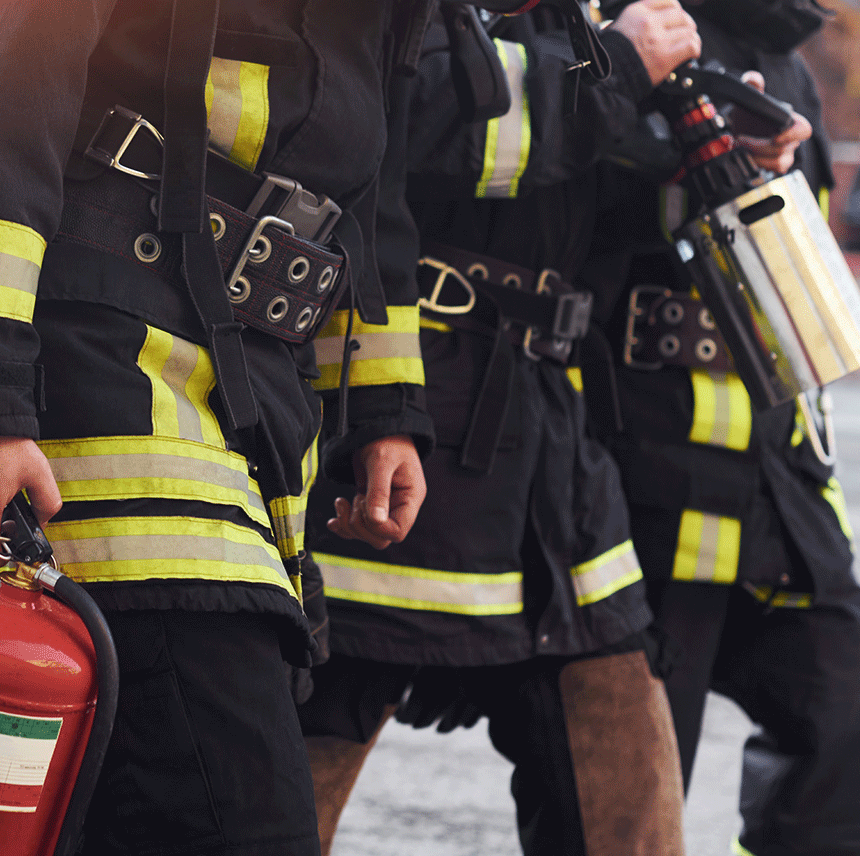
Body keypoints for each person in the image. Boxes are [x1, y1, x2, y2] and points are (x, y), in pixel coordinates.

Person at [0, 2, 441, 853]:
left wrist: (385, 413)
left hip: (259, 410)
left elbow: (366, 191)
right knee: (237, 821)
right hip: (105, 381)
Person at [295, 3, 702, 854]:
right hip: (407, 412)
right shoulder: (412, 17)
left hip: (549, 451)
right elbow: (438, 126)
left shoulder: (579, 19)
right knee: (274, 796)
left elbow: (588, 201)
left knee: (626, 757)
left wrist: (703, 151)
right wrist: (621, 72)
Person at [590, 1, 860, 854]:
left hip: (777, 490)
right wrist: (680, 160)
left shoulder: (791, 66)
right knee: (637, 797)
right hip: (646, 480)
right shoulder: (625, 26)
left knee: (848, 717)